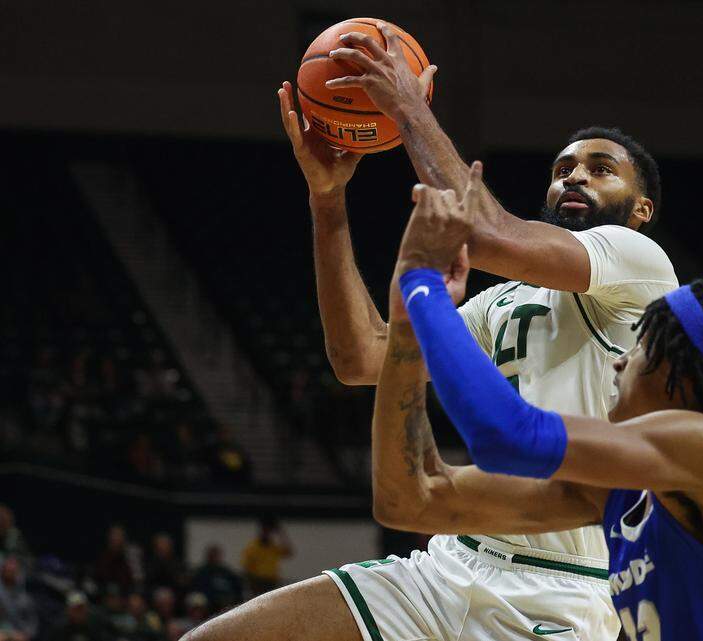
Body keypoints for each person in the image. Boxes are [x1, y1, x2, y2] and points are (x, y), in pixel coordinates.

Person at [185, 22, 676, 641]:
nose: (573, 177)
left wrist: (406, 105)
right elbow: (361, 357)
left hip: (567, 586)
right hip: (449, 561)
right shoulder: (504, 302)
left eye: (600, 169)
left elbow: (489, 230)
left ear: (641, 210)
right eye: (562, 169)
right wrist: (328, 204)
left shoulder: (638, 263)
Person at [368, 176, 703, 639]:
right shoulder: (623, 492)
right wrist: (406, 329)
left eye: (642, 346)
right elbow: (412, 500)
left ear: (681, 377)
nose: (621, 358)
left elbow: (504, 435)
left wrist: (423, 286)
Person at [240, 518, 292, 596]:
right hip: (257, 583)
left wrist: (281, 533)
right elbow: (246, 567)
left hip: (272, 582)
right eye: (265, 530)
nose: (267, 533)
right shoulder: (252, 547)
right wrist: (252, 584)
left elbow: (289, 552)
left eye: (269, 531)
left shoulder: (273, 546)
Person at [189, 546, 242, 612]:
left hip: (225, 601)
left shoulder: (227, 572)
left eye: (216, 555)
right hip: (208, 601)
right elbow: (196, 588)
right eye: (212, 555)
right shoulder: (201, 572)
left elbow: (237, 588)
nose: (214, 558)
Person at [0, 557, 37, 641]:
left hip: (18, 634)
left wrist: (25, 635)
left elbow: (32, 622)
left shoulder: (25, 597)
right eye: (7, 570)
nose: (10, 573)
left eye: (13, 571)